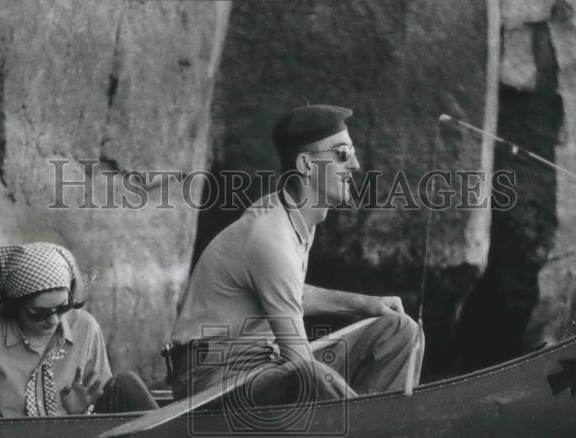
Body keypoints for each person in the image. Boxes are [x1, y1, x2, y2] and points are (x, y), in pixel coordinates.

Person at [167, 104, 423, 404]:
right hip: (211, 376)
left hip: (263, 363)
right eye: (342, 153)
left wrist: (367, 304)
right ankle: (376, 430)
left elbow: (287, 293)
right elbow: (299, 363)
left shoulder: (296, 216)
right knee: (310, 374)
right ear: (306, 164)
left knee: (399, 329)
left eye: (352, 152)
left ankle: (371, 427)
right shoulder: (270, 238)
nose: (354, 164)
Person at [0, 242, 157, 419]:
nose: (54, 320)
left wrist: (82, 413)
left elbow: (103, 415)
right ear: (14, 304)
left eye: (63, 308)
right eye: (39, 313)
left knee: (127, 384)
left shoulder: (85, 328)